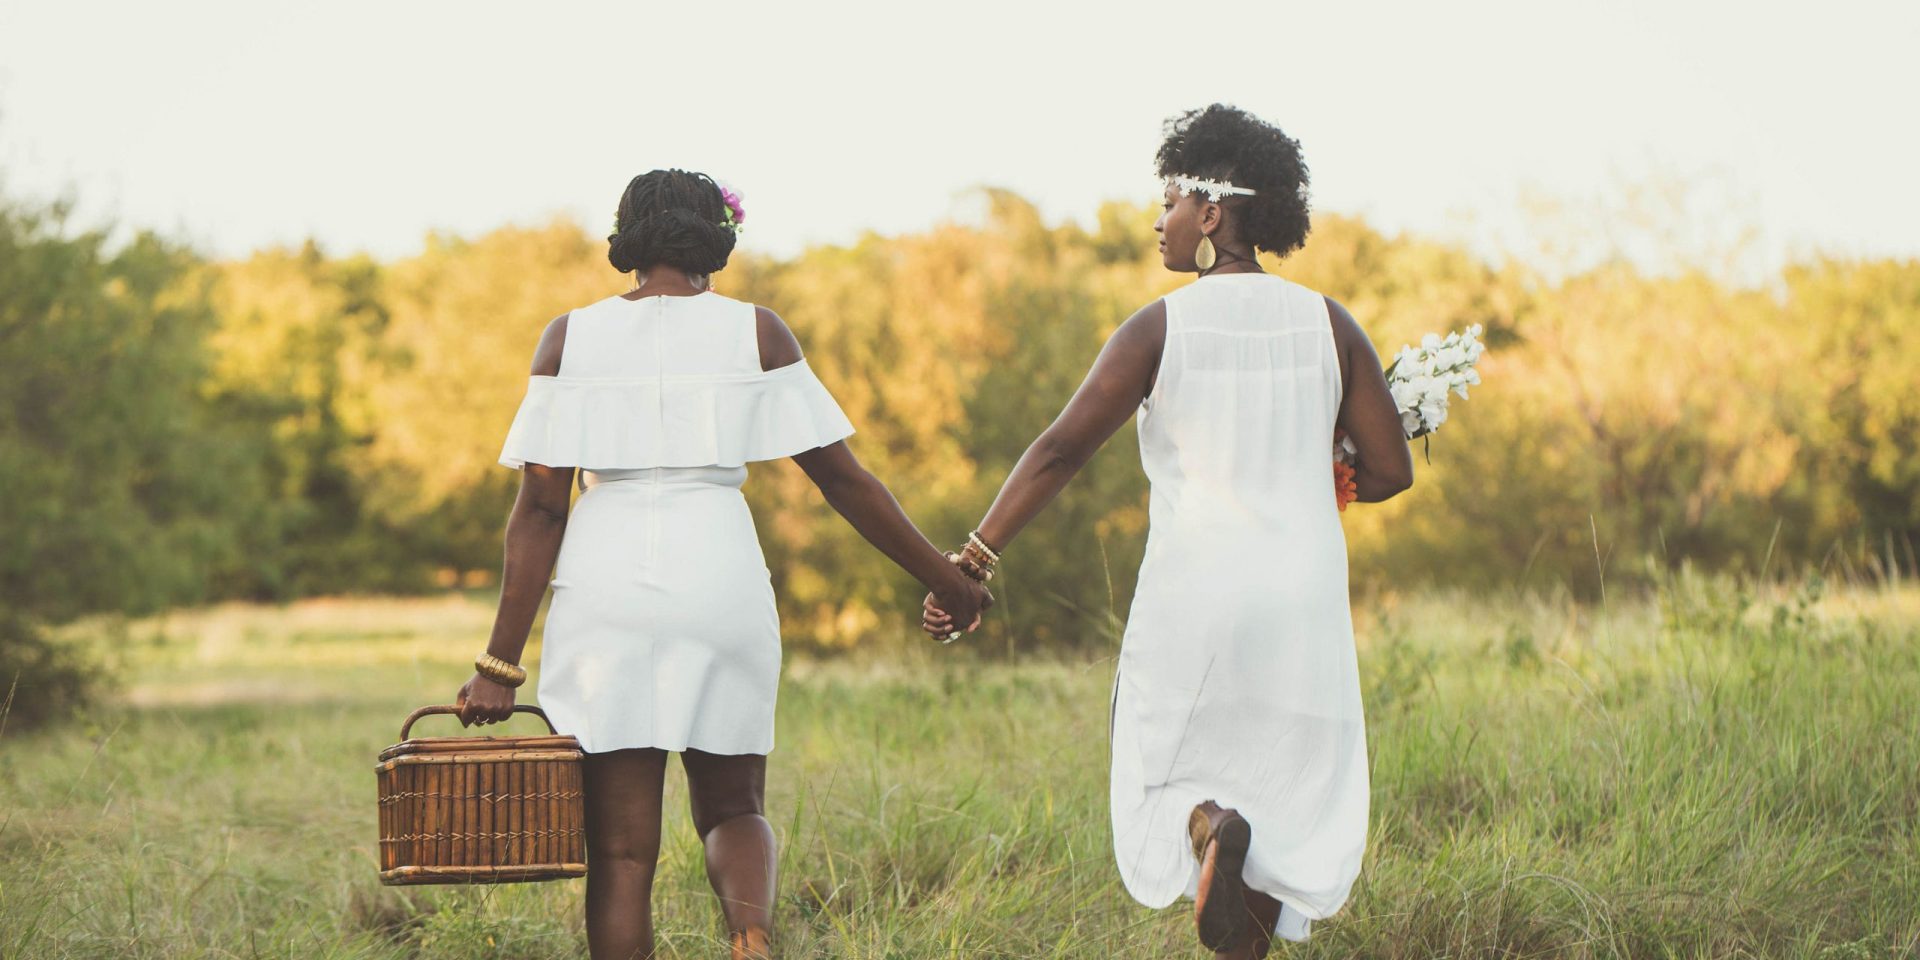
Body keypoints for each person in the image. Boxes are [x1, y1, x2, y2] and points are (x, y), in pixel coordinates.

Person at [456, 168, 992, 960]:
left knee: (622, 851)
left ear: (629, 239)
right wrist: (950, 579)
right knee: (734, 806)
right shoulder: (758, 331)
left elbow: (540, 507)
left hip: (606, 584)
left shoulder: (569, 337)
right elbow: (843, 479)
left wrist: (499, 664)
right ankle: (749, 935)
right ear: (719, 237)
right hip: (720, 573)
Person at [924, 104, 1413, 958]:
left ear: (1212, 212)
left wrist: (972, 558)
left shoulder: (1160, 326)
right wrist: (1315, 474)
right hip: (1302, 601)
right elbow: (1390, 471)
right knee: (1284, 784)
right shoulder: (1332, 324)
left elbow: (1060, 450)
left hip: (1197, 590)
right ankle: (1233, 867)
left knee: (1158, 764)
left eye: (1172, 202)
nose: (1161, 221)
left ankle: (1207, 822)